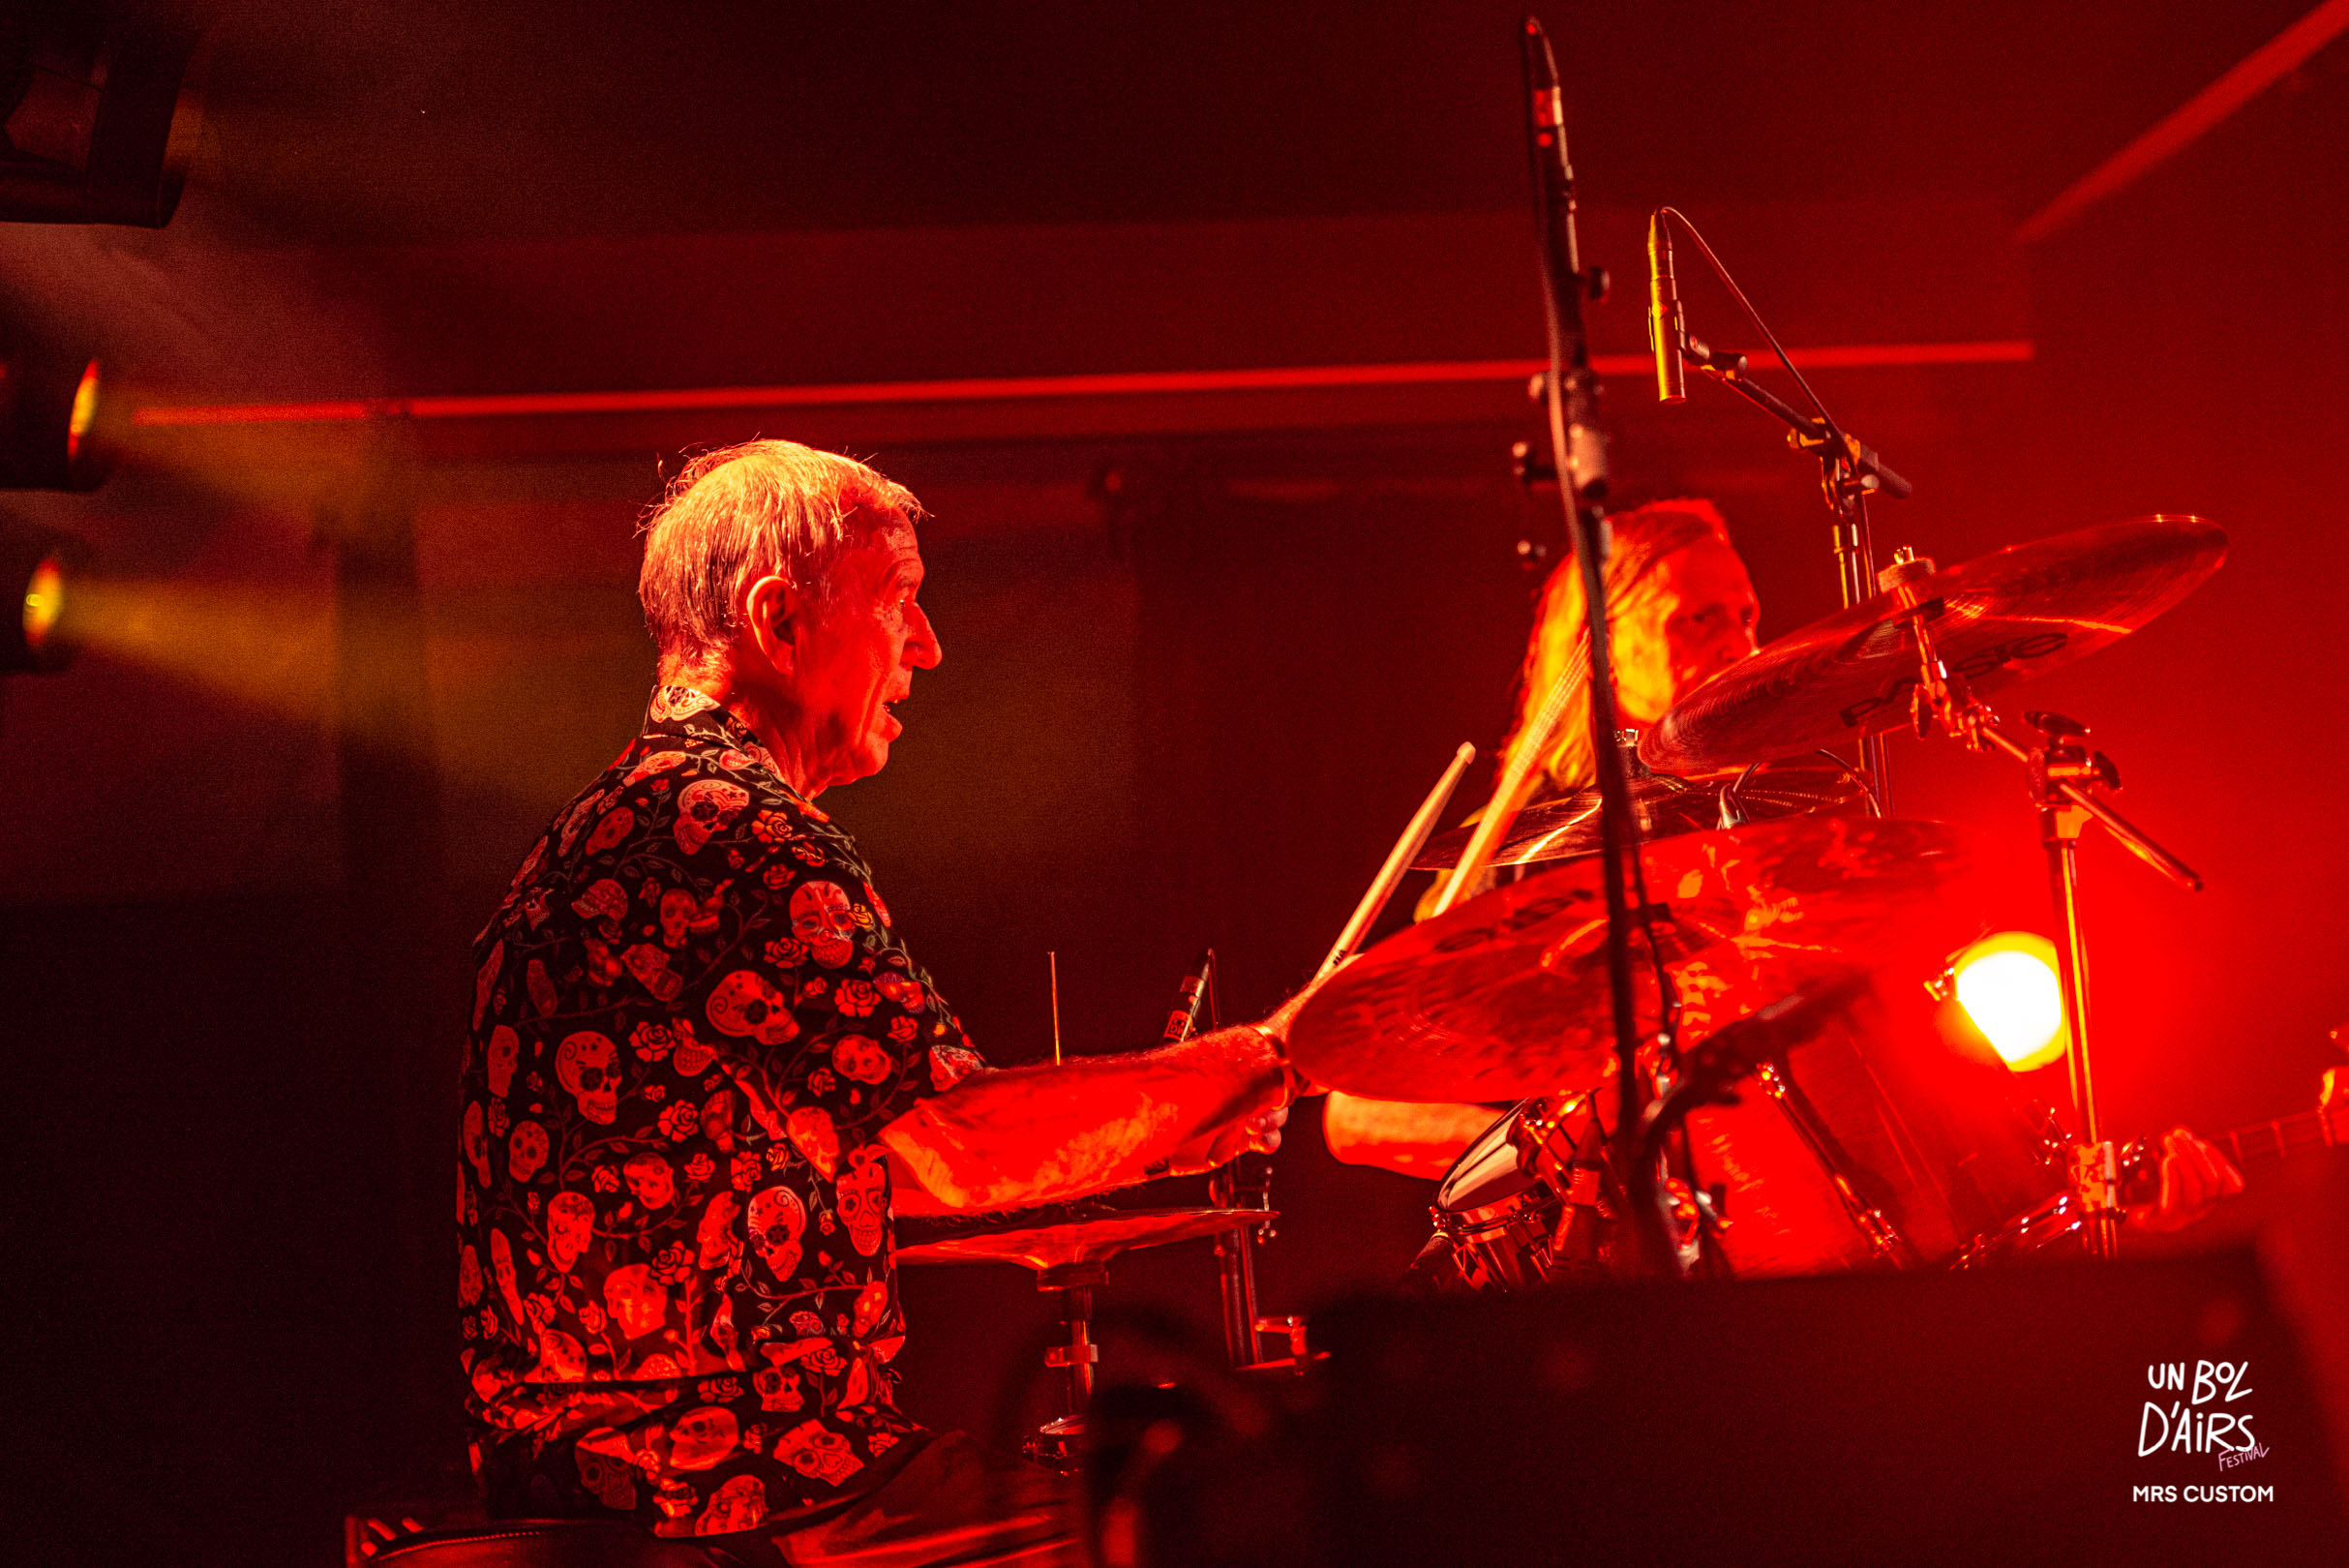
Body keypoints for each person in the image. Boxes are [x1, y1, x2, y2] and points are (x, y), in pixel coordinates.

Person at [459, 440, 1300, 1565]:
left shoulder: (600, 829)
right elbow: (959, 1144)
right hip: (746, 1484)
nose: (928, 644)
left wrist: (1170, 1123)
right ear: (778, 618)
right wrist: (1267, 1057)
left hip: (608, 1472)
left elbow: (874, 1161)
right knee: (1224, 1529)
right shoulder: (735, 835)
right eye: (899, 598)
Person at [1319, 499, 2242, 1234]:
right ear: (1602, 650)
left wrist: (2085, 1183)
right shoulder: (1521, 853)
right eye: (1697, 620)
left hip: (1857, 1246)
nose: (1739, 643)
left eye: (1747, 616)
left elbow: (1914, 1065)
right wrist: (1568, 1158)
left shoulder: (1797, 829)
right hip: (1638, 1273)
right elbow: (1353, 1113)